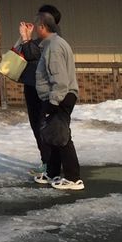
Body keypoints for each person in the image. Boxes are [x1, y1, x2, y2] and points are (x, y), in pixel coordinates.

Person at [34, 10, 83, 191]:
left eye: (37, 26)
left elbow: (60, 80)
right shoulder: (52, 44)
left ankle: (73, 177)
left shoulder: (54, 47)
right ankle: (53, 172)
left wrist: (53, 102)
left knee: (61, 137)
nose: (35, 30)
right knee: (51, 135)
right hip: (58, 95)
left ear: (43, 27)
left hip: (60, 96)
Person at [14, 3, 61, 179]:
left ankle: (51, 164)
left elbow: (33, 54)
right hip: (32, 85)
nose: (37, 20)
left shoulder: (53, 39)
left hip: (44, 89)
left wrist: (26, 38)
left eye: (40, 17)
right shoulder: (41, 38)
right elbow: (22, 53)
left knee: (44, 125)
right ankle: (47, 162)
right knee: (36, 124)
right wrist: (26, 38)